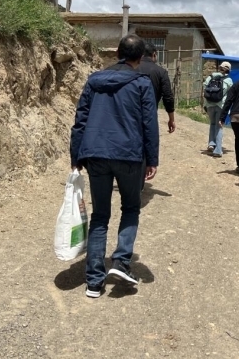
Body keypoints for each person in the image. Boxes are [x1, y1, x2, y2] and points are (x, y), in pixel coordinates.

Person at [70, 34, 159, 298]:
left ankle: (94, 281)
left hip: (96, 154)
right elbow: (149, 124)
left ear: (118, 53)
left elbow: (80, 119)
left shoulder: (94, 81)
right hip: (129, 155)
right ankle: (121, 261)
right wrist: (152, 158)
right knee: (130, 207)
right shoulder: (142, 83)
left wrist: (76, 156)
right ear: (140, 57)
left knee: (100, 215)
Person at [140, 42, 176, 134]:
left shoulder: (131, 68)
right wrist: (171, 119)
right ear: (154, 54)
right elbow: (168, 97)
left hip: (129, 116)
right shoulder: (161, 72)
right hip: (149, 115)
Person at [203, 61, 233, 157]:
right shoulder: (228, 80)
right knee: (219, 126)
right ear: (228, 70)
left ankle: (211, 144)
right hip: (221, 105)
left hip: (209, 104)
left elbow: (205, 88)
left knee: (212, 124)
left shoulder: (210, 77)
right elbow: (231, 93)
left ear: (220, 68)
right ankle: (218, 150)